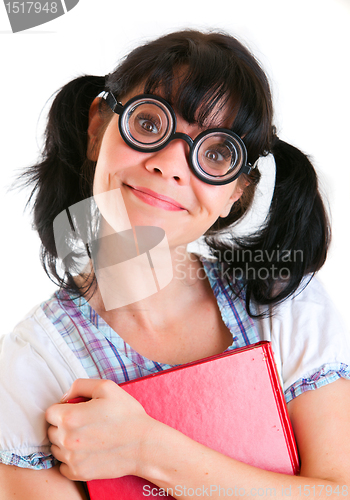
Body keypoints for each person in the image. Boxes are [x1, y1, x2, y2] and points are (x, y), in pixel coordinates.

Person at [1, 29, 350, 500]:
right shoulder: (32, 369)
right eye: (149, 125)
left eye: (216, 153)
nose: (170, 164)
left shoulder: (285, 304)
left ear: (235, 192)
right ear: (97, 128)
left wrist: (149, 450)